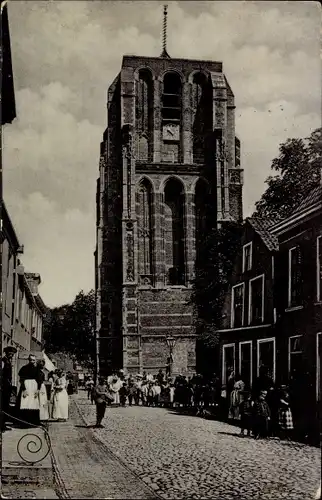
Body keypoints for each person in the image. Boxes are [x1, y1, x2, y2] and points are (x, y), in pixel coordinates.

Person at [17, 354, 43, 428]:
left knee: (33, 404)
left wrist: (38, 389)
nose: (32, 361)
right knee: (25, 403)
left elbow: (39, 380)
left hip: (34, 387)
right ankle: (24, 423)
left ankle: (34, 422)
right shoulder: (24, 368)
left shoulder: (37, 369)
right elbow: (21, 380)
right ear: (28, 360)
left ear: (35, 360)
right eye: (31, 360)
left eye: (34, 360)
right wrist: (24, 389)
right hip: (26, 387)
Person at [1, 346, 17, 431]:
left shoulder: (8, 361)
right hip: (3, 387)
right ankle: (1, 425)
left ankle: (3, 424)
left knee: (6, 405)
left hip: (7, 387)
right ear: (7, 353)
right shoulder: (3, 361)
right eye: (11, 354)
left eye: (13, 354)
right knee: (3, 405)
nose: (12, 355)